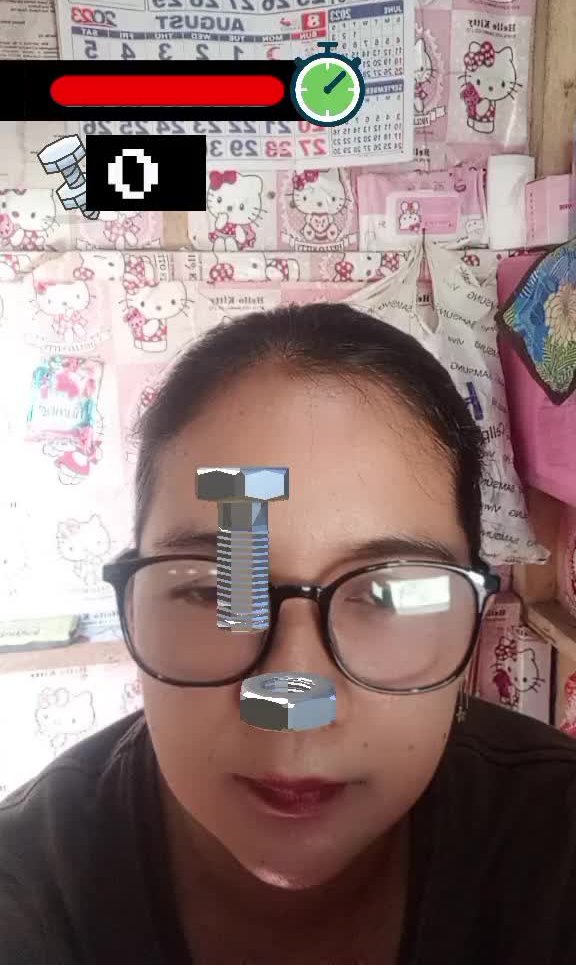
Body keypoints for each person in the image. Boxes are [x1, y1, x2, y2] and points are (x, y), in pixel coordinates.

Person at [2, 302, 576, 965]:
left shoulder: (555, 845)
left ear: (471, 620)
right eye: (215, 590)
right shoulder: (28, 898)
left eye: (388, 593)